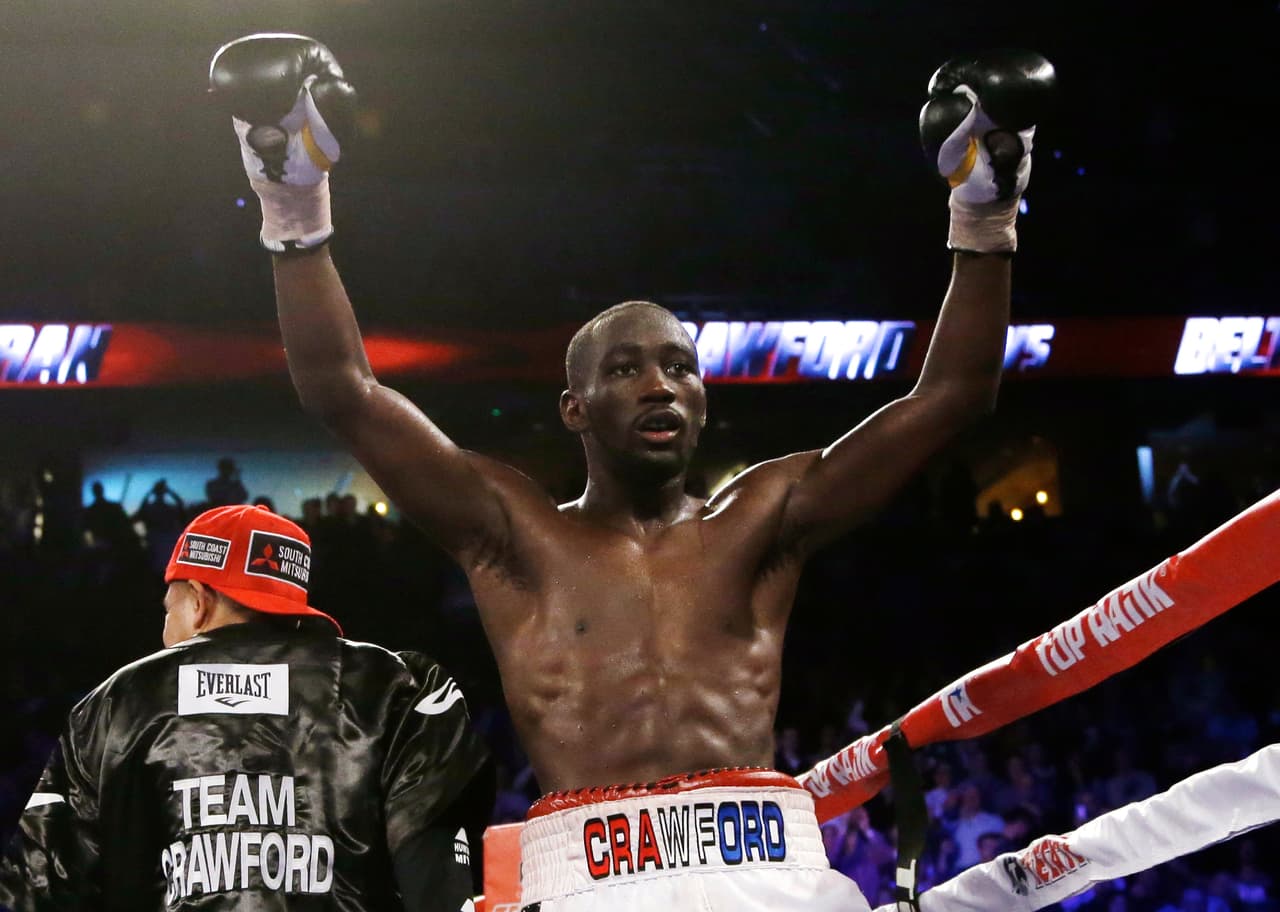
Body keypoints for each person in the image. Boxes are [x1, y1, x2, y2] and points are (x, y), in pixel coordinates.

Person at [210, 32, 1052, 911]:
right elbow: (342, 389)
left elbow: (954, 394)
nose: (659, 385)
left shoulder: (766, 515)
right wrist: (291, 201)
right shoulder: (515, 533)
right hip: (591, 883)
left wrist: (985, 214)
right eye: (624, 370)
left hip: (769, 875)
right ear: (574, 409)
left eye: (679, 367)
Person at [0, 504, 493, 911]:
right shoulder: (396, 687)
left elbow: (40, 888)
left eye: (167, 610)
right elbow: (438, 881)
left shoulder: (113, 704)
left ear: (197, 600)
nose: (165, 629)